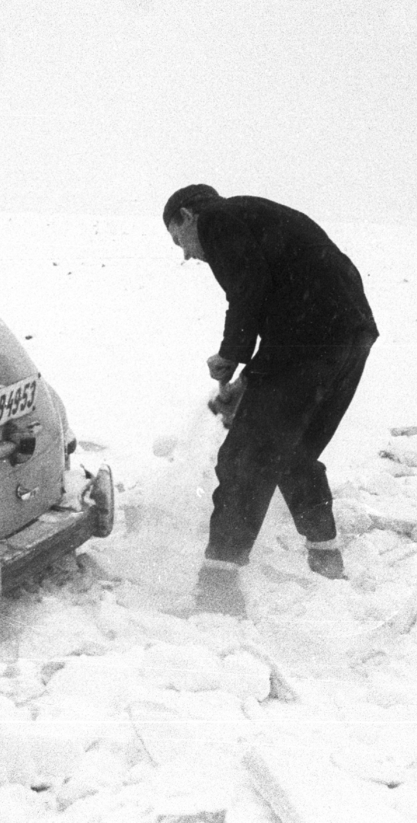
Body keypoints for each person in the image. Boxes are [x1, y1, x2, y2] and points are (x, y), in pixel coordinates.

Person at [163, 184, 379, 616]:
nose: (187, 255)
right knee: (289, 452)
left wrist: (231, 356)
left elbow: (248, 290)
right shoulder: (256, 219)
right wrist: (251, 380)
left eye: (178, 239)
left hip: (309, 338)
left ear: (188, 216)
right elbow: (283, 300)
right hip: (348, 338)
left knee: (245, 460)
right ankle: (325, 555)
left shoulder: (218, 219)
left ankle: (218, 590)